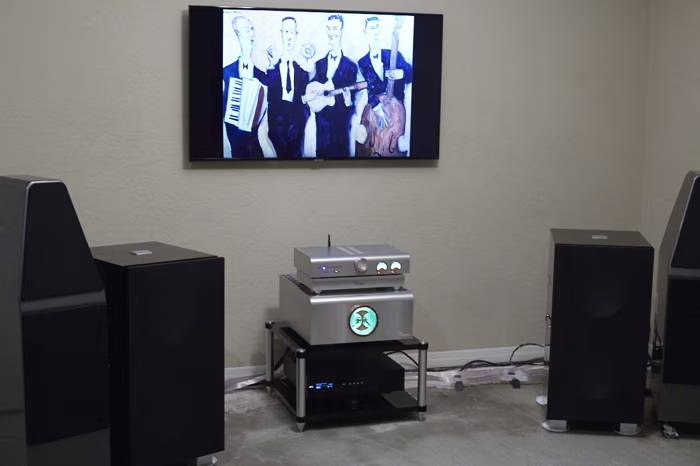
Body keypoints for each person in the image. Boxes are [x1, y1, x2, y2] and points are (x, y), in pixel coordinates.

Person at [310, 14, 358, 158]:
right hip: (322, 132)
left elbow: (352, 104)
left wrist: (348, 102)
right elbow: (313, 93)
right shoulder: (319, 64)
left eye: (335, 28)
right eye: (329, 28)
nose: (332, 33)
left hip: (340, 131)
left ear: (341, 31)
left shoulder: (351, 66)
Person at [222, 16, 267, 158]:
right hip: (235, 141)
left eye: (252, 29)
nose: (251, 34)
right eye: (247, 30)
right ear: (237, 34)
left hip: (255, 141)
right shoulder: (226, 72)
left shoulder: (262, 75)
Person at [265, 17, 309, 158]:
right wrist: (270, 66)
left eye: (292, 32)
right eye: (286, 32)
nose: (289, 37)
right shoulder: (272, 68)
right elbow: (269, 96)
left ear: (296, 35)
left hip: (297, 126)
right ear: (281, 34)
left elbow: (305, 98)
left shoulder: (302, 71)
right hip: (277, 127)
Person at [357, 16, 413, 129]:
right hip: (376, 109)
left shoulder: (393, 54)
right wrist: (378, 109)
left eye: (378, 27)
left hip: (396, 111)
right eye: (372, 28)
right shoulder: (362, 62)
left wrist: (401, 73)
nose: (376, 32)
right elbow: (369, 90)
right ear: (365, 32)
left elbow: (411, 74)